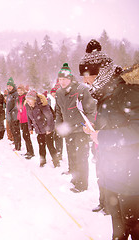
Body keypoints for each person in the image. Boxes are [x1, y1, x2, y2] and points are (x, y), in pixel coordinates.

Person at [79, 39, 139, 239]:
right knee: (118, 228)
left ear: (102, 73)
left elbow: (136, 129)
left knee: (133, 225)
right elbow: (113, 124)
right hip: (112, 174)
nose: (86, 82)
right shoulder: (103, 96)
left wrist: (103, 137)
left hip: (132, 177)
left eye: (88, 76)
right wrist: (94, 130)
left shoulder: (128, 92)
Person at [55, 63, 96, 193]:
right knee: (72, 156)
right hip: (69, 131)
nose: (62, 82)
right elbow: (58, 112)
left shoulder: (81, 90)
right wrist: (59, 125)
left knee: (81, 157)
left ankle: (82, 184)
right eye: (60, 79)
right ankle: (75, 179)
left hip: (80, 130)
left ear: (70, 79)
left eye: (64, 79)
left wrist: (87, 125)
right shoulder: (59, 93)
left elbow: (91, 110)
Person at [25, 90, 59, 167]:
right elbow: (29, 118)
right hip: (39, 130)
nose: (28, 102)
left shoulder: (42, 105)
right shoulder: (28, 106)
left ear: (34, 99)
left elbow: (50, 117)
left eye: (30, 100)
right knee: (41, 146)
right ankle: (42, 162)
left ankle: (56, 163)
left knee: (50, 146)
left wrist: (48, 129)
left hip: (47, 129)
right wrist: (30, 128)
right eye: (27, 100)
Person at [17, 85, 34, 159]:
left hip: (26, 119)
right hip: (22, 119)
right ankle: (28, 151)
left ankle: (31, 152)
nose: (19, 92)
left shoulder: (25, 98)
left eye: (21, 90)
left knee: (26, 136)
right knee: (24, 136)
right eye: (18, 91)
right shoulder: (18, 98)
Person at [47, 84, 63, 160]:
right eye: (53, 93)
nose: (54, 94)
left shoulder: (59, 99)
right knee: (54, 137)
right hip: (53, 121)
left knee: (58, 137)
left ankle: (59, 153)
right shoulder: (49, 99)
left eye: (55, 93)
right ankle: (56, 152)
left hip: (59, 120)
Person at [6, 77, 20, 151]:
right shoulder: (9, 94)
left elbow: (16, 106)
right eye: (8, 86)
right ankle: (15, 142)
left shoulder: (15, 94)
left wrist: (11, 112)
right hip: (10, 116)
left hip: (15, 116)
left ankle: (18, 146)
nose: (9, 87)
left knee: (16, 131)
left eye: (10, 86)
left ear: (13, 86)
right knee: (12, 130)